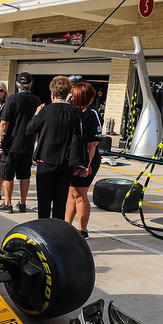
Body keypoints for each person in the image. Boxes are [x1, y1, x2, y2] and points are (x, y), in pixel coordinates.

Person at [25, 75, 82, 220]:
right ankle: (58, 232)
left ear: (52, 94)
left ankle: (43, 231)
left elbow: (29, 130)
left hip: (46, 160)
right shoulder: (76, 112)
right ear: (69, 93)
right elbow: (81, 136)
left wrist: (36, 115)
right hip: (66, 162)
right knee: (60, 202)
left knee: (44, 202)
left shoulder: (46, 110)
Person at [0, 72, 41, 213]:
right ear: (31, 85)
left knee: (8, 175)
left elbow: (4, 123)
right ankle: (22, 203)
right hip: (28, 144)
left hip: (11, 144)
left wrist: (1, 141)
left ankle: (8, 204)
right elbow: (37, 126)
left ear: (17, 85)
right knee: (25, 175)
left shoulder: (12, 100)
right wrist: (33, 141)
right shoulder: (37, 101)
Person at [65, 81, 103, 239]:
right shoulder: (74, 111)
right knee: (71, 193)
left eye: (73, 94)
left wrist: (85, 166)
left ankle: (83, 230)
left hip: (87, 159)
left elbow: (92, 144)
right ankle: (66, 225)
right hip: (74, 157)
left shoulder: (91, 114)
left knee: (80, 194)